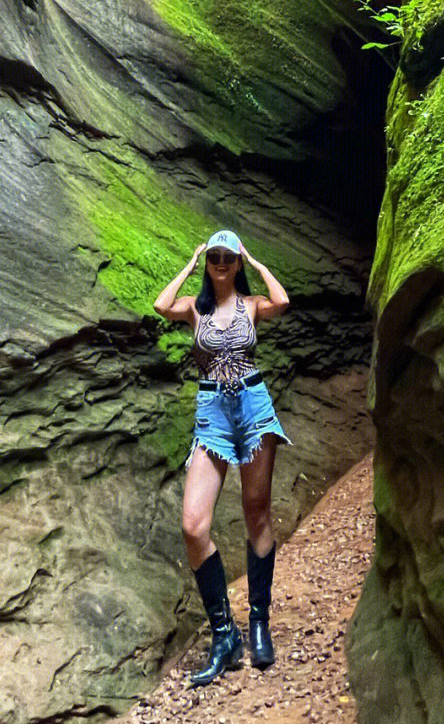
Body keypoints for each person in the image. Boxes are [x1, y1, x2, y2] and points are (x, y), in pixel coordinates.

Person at [153, 229, 291, 686]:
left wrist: (256, 260)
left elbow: (283, 300)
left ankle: (258, 624)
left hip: (253, 406)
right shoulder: (196, 309)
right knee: (194, 525)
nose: (221, 263)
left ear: (237, 264)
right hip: (212, 412)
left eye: (227, 258)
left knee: (257, 514)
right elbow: (160, 304)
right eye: (215, 256)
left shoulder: (251, 307)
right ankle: (223, 635)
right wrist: (189, 264)